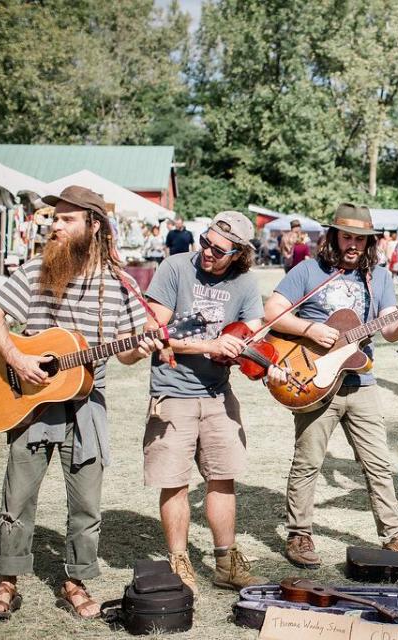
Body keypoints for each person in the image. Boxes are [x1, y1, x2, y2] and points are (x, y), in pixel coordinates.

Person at [0, 186, 160, 622]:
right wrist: (19, 359)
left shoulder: (119, 284)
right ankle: (8, 579)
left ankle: (75, 579)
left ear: (93, 225)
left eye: (66, 219)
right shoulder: (37, 269)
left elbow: (128, 351)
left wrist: (143, 346)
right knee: (18, 499)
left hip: (87, 403)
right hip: (31, 401)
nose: (55, 225)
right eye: (54, 218)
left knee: (86, 504)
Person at [263, 203, 398, 568]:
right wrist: (310, 329)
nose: (354, 244)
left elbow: (389, 328)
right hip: (314, 378)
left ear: (370, 241)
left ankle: (393, 534)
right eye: (347, 236)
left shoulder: (380, 277)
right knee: (308, 460)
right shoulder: (309, 270)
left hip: (361, 380)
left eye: (360, 238)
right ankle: (300, 534)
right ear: (334, 236)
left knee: (378, 462)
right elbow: (273, 311)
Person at [142, 210, 275, 595]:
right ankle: (179, 559)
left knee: (222, 477)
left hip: (218, 393)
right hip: (173, 391)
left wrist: (248, 352)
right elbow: (155, 332)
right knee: (175, 481)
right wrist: (209, 345)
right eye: (205, 241)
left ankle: (225, 561)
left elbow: (252, 332)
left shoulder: (245, 282)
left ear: (238, 254)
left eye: (219, 250)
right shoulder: (174, 267)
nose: (208, 253)